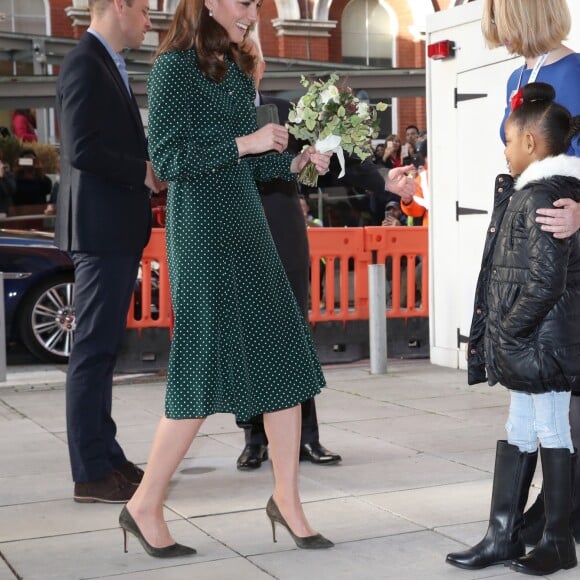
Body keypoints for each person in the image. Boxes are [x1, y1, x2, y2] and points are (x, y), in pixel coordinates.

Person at [120, 0, 335, 558]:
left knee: (285, 360)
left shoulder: (237, 68)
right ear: (210, 2)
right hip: (201, 236)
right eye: (244, 5)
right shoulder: (171, 68)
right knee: (199, 367)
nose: (252, 16)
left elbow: (256, 164)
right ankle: (144, 504)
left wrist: (297, 161)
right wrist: (248, 142)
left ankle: (287, 500)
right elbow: (165, 161)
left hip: (248, 230)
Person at [446, 82, 580, 576]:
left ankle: (558, 541)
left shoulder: (543, 194)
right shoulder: (540, 192)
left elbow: (547, 279)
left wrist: (509, 333)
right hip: (535, 340)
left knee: (549, 429)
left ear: (529, 143)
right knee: (521, 428)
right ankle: (502, 535)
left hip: (542, 341)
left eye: (506, 139)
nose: (503, 149)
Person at [481, 0, 580, 545]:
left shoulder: (577, 71)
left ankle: (555, 527)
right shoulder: (519, 76)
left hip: (570, 244)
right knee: (539, 396)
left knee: (561, 393)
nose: (493, 32)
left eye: (498, 17)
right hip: (529, 233)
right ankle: (530, 524)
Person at [55, 0, 161, 503]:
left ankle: (107, 456)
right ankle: (91, 472)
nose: (149, 21)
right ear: (118, 6)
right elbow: (81, 148)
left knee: (101, 352)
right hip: (99, 231)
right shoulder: (84, 63)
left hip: (111, 229)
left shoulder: (105, 63)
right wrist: (142, 170)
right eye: (143, 10)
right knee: (93, 353)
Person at [235, 32, 341, 470]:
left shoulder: (284, 110)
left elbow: (324, 175)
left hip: (283, 229)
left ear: (259, 67)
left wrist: (328, 158)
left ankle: (306, 437)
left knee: (294, 332)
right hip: (238, 231)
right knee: (246, 334)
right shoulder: (218, 112)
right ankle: (254, 438)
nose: (245, 67)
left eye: (250, 61)